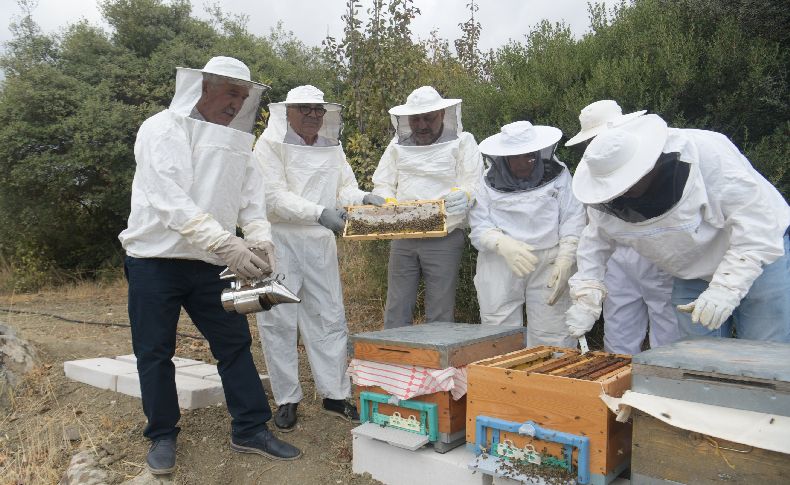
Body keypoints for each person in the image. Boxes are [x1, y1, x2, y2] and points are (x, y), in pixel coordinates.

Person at [119, 57, 301, 475]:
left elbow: (251, 199)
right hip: (154, 262)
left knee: (234, 344)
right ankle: (162, 434)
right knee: (154, 351)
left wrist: (260, 241)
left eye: (243, 95)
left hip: (208, 264)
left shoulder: (237, 141)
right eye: (230, 93)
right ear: (203, 88)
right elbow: (169, 198)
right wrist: (225, 243)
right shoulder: (162, 127)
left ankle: (250, 429)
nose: (237, 104)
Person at [566, 113, 790, 343]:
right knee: (697, 356)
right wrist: (586, 298)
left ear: (647, 165)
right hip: (691, 272)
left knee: (764, 351)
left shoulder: (708, 154)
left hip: (760, 256)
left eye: (625, 184)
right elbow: (594, 243)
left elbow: (757, 226)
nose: (621, 193)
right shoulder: (605, 195)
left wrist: (726, 289)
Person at [253, 85, 379, 432]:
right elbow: (272, 198)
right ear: (288, 112)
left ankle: (335, 395)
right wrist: (319, 211)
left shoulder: (331, 146)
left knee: (328, 316)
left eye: (318, 110)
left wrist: (364, 197)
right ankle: (287, 399)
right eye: (305, 109)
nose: (313, 115)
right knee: (278, 321)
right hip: (279, 242)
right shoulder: (269, 145)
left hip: (321, 242)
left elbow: (343, 188)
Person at [565, 100, 679, 354]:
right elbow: (593, 236)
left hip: (658, 254)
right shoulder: (594, 171)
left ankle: (662, 386)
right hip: (615, 258)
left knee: (669, 333)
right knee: (618, 335)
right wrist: (586, 298)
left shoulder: (652, 155)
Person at [371, 86, 483, 328]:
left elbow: (473, 181)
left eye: (428, 118)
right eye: (415, 119)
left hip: (445, 237)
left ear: (442, 114)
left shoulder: (464, 141)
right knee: (397, 307)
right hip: (403, 233)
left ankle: (435, 366)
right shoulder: (396, 145)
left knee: (441, 311)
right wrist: (387, 201)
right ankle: (396, 361)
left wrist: (465, 194)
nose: (421, 125)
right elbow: (382, 182)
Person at [468, 121, 586, 347]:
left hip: (548, 261)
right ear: (503, 157)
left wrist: (566, 258)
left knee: (553, 331)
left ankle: (550, 382)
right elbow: (479, 226)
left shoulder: (559, 175)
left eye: (528, 156)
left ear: (537, 152)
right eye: (515, 157)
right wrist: (501, 243)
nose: (523, 163)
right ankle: (503, 382)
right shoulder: (485, 182)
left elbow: (573, 217)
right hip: (500, 261)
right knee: (498, 330)